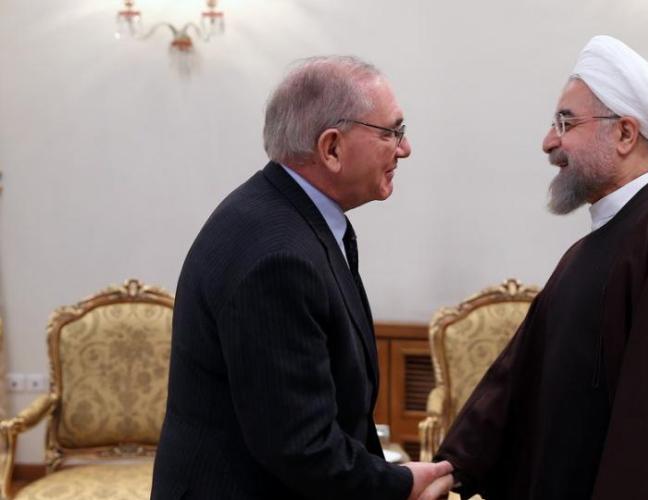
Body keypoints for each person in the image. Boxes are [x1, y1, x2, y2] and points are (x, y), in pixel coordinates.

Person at [435, 36, 648, 499]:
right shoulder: (592, 248)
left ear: (625, 134)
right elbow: (521, 376)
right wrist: (455, 466)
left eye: (566, 123)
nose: (549, 142)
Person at [151, 56, 453, 500]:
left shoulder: (288, 216)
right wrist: (401, 485)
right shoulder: (278, 256)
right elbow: (299, 445)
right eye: (391, 132)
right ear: (331, 148)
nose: (404, 148)